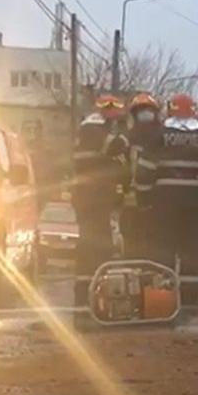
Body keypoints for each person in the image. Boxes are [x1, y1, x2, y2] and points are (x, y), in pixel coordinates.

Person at [135, 94, 198, 306]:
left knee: (162, 248)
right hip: (195, 204)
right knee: (192, 250)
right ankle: (190, 298)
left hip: (163, 202)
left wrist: (143, 202)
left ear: (170, 110)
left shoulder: (158, 137)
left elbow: (144, 172)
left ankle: (162, 297)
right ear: (194, 112)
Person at [72, 95, 129, 309]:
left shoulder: (91, 128)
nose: (116, 114)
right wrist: (125, 136)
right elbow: (117, 146)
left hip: (91, 196)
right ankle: (89, 292)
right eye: (114, 110)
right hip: (93, 197)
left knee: (95, 243)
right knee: (95, 244)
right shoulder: (93, 129)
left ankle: (91, 290)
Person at [121, 92, 164, 258]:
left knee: (152, 239)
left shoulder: (163, 138)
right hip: (137, 198)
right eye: (141, 112)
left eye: (148, 111)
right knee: (133, 236)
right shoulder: (127, 138)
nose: (145, 116)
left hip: (153, 197)